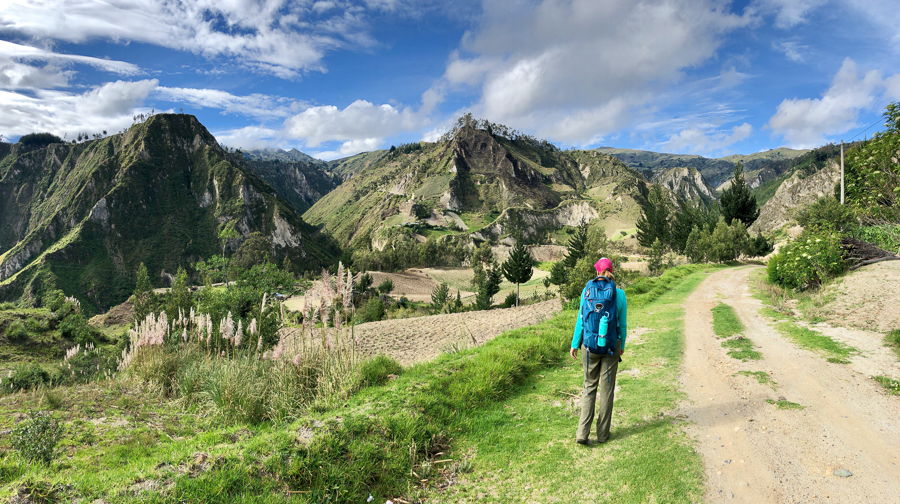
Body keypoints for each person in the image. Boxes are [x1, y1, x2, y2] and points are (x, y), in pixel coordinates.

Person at [570, 257, 628, 445]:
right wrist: (622, 345)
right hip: (611, 346)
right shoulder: (619, 294)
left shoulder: (587, 291)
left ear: (597, 272)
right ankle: (603, 435)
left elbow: (581, 320)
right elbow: (623, 325)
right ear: (611, 271)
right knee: (607, 389)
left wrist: (574, 343)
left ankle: (582, 433)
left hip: (589, 347)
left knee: (589, 387)